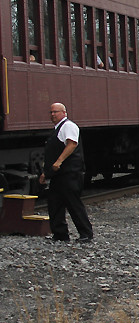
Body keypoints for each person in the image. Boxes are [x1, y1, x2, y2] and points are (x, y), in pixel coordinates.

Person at [39, 103, 93, 243]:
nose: (52, 115)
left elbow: (72, 144)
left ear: (64, 112)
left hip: (70, 173)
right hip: (58, 175)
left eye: (55, 112)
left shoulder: (68, 126)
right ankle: (60, 234)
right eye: (51, 112)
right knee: (55, 204)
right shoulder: (57, 129)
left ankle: (86, 233)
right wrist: (46, 173)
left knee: (73, 203)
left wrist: (59, 161)